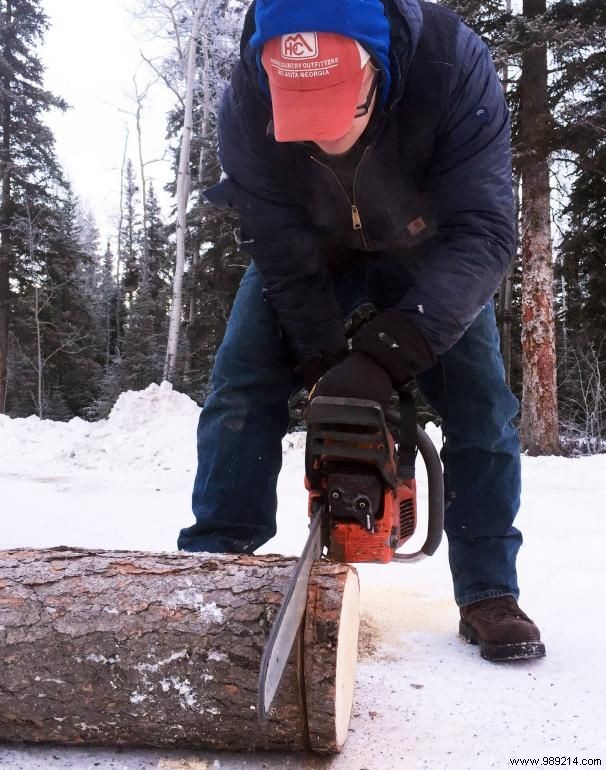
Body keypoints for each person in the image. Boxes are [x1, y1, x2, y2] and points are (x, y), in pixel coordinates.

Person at [178, 0, 546, 662]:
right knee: (242, 381)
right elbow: (277, 242)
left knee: (483, 407)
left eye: (338, 111)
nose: (323, 139)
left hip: (433, 249)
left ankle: (490, 589)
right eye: (305, 119)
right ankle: (216, 564)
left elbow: (486, 232)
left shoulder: (451, 65)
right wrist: (325, 360)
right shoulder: (246, 99)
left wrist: (387, 357)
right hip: (314, 251)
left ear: (378, 67)